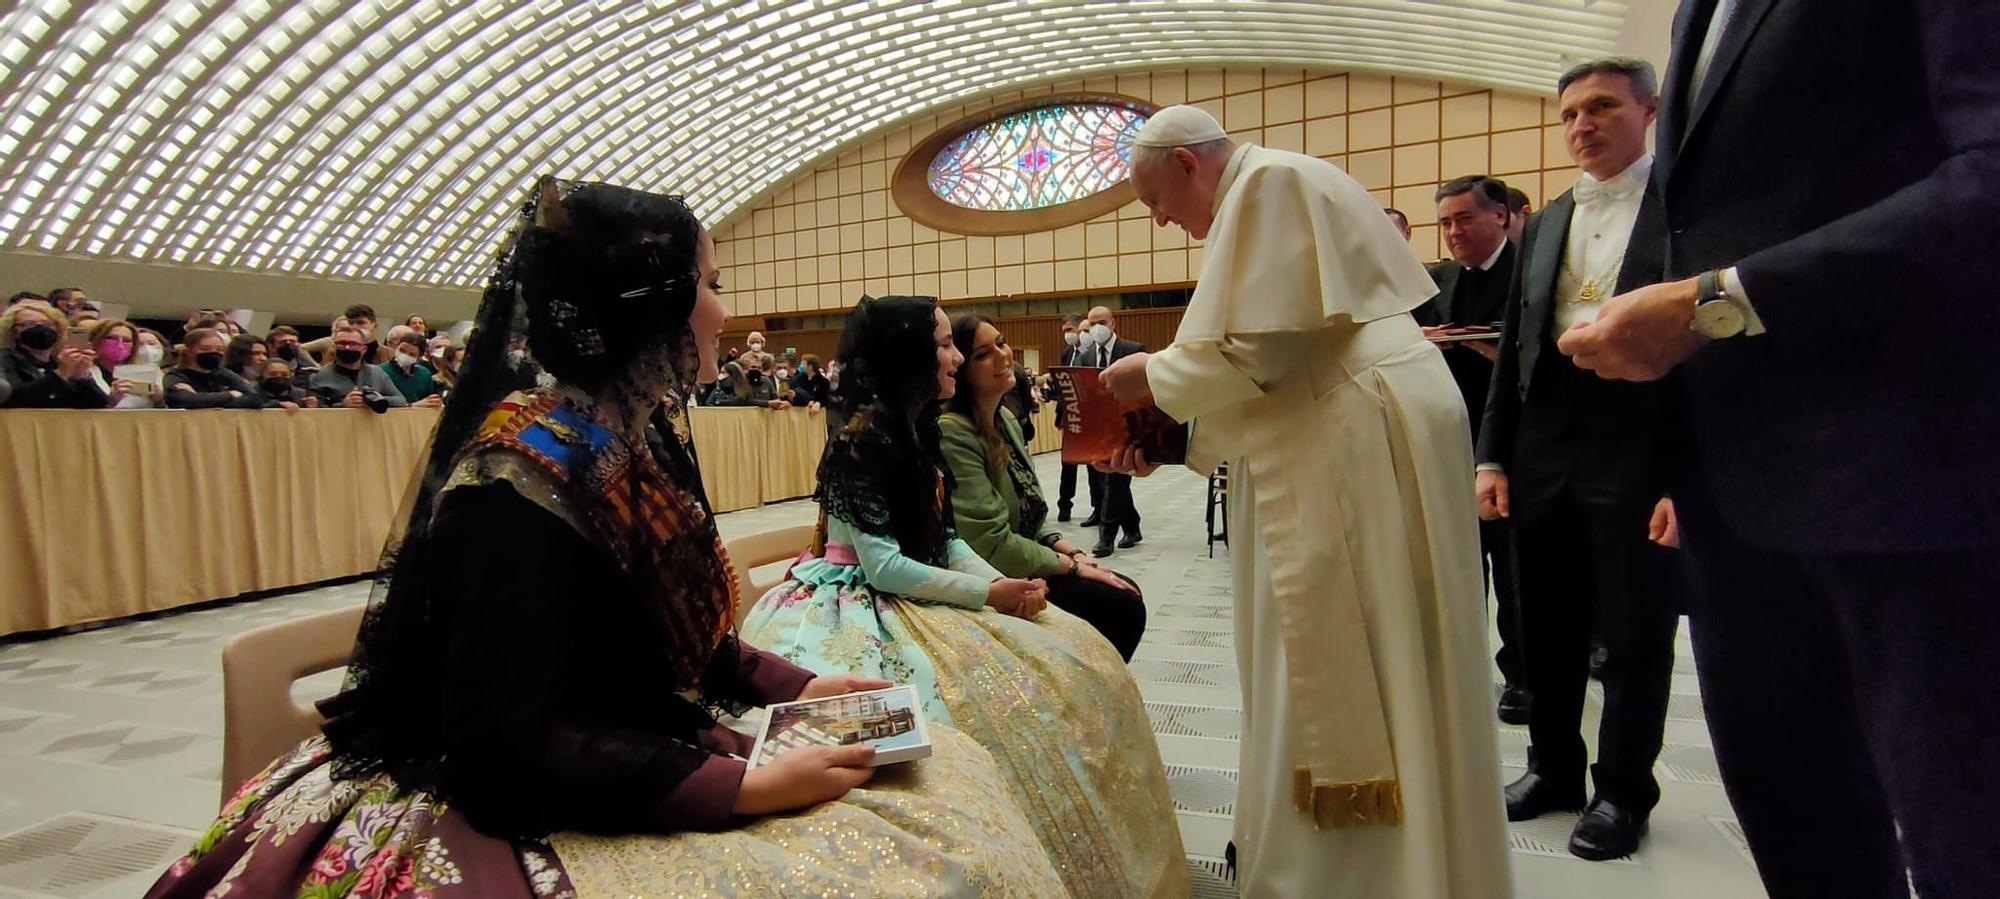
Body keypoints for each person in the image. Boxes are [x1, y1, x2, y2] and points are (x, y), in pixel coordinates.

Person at [149, 179, 1064, 898]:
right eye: (709, 287)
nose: (720, 311)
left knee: (945, 791)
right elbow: (505, 746)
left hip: (619, 751)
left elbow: (662, 639)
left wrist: (804, 684)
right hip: (509, 792)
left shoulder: (624, 435)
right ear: (650, 305)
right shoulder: (513, 485)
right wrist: (738, 787)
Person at [1555, 4, 2000, 895]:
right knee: (1805, 835)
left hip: (1918, 481)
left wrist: (1725, 301)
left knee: (1966, 840)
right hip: (1736, 500)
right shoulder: (1694, 12)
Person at [1102, 105, 1508, 897]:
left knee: (1367, 640)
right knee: (1378, 644)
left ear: (1189, 164)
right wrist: (1173, 438)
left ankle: (1362, 872)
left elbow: (1262, 346)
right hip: (1340, 422)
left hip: (1353, 434)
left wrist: (1147, 378)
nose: (1158, 222)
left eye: (1156, 202)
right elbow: (1277, 358)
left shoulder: (1270, 184)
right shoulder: (1273, 184)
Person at [742, 294, 1189, 898]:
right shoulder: (860, 441)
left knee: (1075, 661)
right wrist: (985, 594)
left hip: (917, 587)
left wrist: (1003, 586)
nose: (954, 356)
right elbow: (884, 566)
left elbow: (946, 537)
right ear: (910, 355)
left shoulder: (917, 426)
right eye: (945, 344)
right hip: (857, 604)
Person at [1476, 58, 1685, 862]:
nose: (1581, 125)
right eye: (1568, 114)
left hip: (1642, 444)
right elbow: (1511, 351)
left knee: (1634, 631)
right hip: (1543, 448)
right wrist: (1492, 455)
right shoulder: (1552, 217)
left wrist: (1686, 474)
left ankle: (1623, 791)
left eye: (1601, 107)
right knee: (1545, 626)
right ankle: (1553, 769)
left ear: (1649, 108)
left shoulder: (1685, 206)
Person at [941, 313, 1148, 659]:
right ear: (961, 369)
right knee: (1118, 608)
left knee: (1124, 592)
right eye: (983, 354)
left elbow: (1032, 512)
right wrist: (1073, 567)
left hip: (1021, 556)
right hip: (994, 574)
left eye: (1002, 343)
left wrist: (1075, 553)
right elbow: (989, 544)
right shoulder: (953, 431)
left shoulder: (1005, 419)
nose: (1004, 356)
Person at [1419, 174, 1530, 726]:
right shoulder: (1434, 282)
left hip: (1514, 447)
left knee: (1515, 572)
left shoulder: (1529, 271)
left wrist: (1482, 344)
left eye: (1464, 219)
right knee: (1460, 569)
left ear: (1502, 217)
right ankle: (1465, 668)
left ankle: (1522, 676)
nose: (1453, 232)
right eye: (1445, 223)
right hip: (1448, 445)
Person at [1079, 305, 1145, 557]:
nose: (1097, 328)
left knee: (1115, 481)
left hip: (1127, 429)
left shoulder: (1133, 351)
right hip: (1099, 431)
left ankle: (1106, 538)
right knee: (1108, 480)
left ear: (1113, 324)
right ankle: (1132, 527)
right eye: (1092, 322)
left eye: (1102, 322)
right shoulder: (1085, 358)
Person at [0, 300, 107, 408]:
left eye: (47, 324)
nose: (40, 328)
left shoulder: (59, 361)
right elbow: (11, 399)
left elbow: (98, 406)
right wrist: (60, 374)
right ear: (14, 331)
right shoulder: (4, 360)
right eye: (29, 324)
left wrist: (82, 376)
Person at [1054, 312, 1097, 523]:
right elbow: (1062, 388)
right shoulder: (1066, 354)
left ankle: (1097, 507)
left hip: (1090, 417)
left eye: (1071, 330)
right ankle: (1064, 506)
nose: (1069, 335)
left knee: (1093, 466)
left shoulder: (1093, 354)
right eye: (1065, 332)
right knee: (1067, 464)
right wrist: (1059, 419)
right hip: (1069, 416)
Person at [163, 328, 273, 409]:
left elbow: (255, 400)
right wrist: (230, 395)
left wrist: (200, 398)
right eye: (205, 349)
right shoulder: (175, 376)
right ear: (188, 352)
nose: (214, 352)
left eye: (219, 349)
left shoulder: (224, 374)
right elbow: (183, 401)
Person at [308, 324, 409, 411]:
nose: (347, 348)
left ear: (364, 349)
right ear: (334, 347)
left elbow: (401, 400)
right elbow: (314, 410)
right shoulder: (319, 376)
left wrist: (375, 399)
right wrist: (342, 404)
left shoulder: (377, 372)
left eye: (353, 344)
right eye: (342, 343)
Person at [86, 319, 161, 409]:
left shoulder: (142, 374)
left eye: (126, 340)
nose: (120, 345)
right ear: (96, 340)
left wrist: (158, 400)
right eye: (112, 338)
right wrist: (110, 400)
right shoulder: (84, 373)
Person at [380, 329, 446, 407]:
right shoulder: (381, 371)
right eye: (402, 350)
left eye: (412, 354)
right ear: (396, 347)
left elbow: (429, 400)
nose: (405, 355)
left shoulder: (424, 374)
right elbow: (377, 401)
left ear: (419, 357)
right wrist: (411, 406)